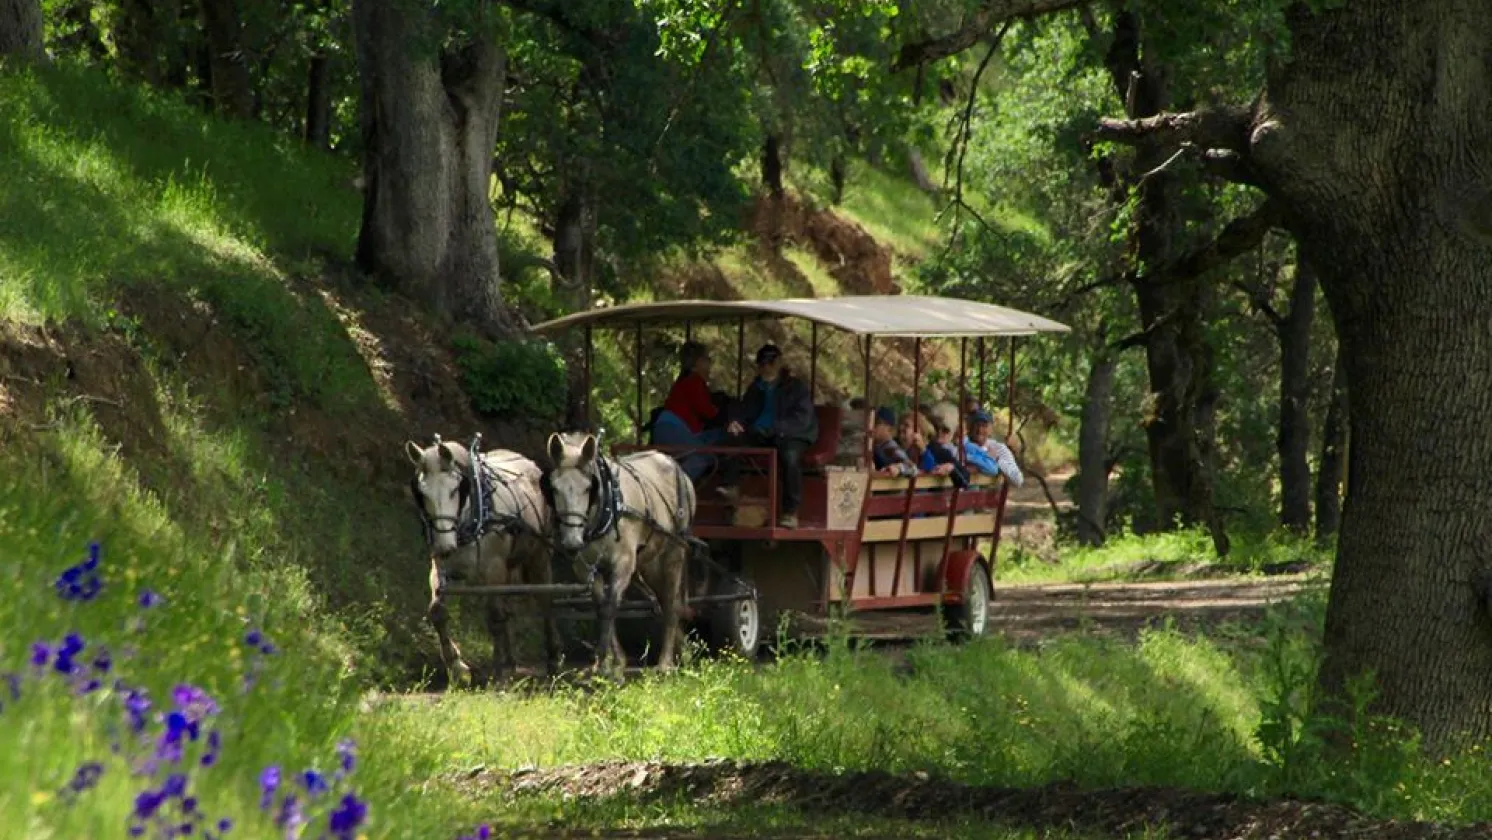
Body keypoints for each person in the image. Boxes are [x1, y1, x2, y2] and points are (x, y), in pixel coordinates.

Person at [717, 344, 818, 529]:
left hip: (792, 434)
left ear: (779, 363)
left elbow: (802, 418)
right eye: (762, 364)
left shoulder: (796, 387)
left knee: (790, 457)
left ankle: (790, 511)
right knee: (732, 440)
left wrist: (776, 428)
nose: (766, 367)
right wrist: (735, 421)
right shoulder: (756, 388)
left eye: (770, 363)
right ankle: (731, 487)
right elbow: (743, 409)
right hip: (762, 433)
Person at [650, 341, 723, 480]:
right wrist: (723, 414)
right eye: (707, 360)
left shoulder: (683, 380)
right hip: (673, 428)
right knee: (702, 457)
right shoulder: (694, 381)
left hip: (665, 426)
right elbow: (706, 411)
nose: (710, 364)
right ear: (699, 362)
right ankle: (676, 489)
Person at [964, 409, 1023, 486]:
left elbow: (1018, 480)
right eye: (977, 425)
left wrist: (997, 460)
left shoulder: (999, 448)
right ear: (970, 428)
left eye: (984, 426)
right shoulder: (963, 444)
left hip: (989, 495)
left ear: (990, 429)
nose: (980, 430)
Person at [871, 407, 917, 477]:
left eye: (876, 422)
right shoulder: (873, 446)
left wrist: (898, 468)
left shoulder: (890, 447)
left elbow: (912, 468)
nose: (872, 426)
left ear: (889, 428)